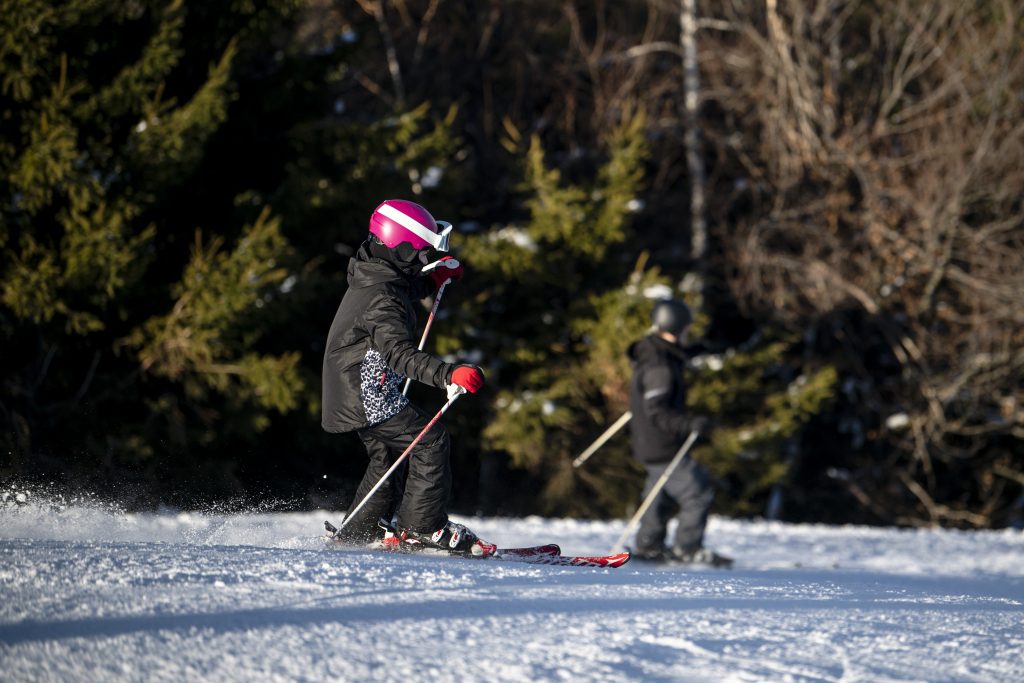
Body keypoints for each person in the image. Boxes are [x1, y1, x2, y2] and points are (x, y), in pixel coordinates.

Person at [321, 199, 491, 555]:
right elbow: (398, 355)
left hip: (349, 389)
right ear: (401, 248)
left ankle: (357, 533)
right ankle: (422, 527)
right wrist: (449, 374)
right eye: (422, 252)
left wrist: (433, 281)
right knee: (429, 441)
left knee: (387, 457)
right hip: (366, 393)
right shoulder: (383, 298)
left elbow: (402, 287)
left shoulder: (374, 275)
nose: (426, 259)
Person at [627, 298, 731, 566]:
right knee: (697, 490)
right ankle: (687, 548)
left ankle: (649, 545)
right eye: (686, 328)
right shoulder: (660, 366)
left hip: (648, 442)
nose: (688, 332)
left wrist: (699, 350)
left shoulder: (653, 352)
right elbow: (657, 410)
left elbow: (673, 358)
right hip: (662, 442)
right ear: (675, 327)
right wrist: (690, 425)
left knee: (658, 491)